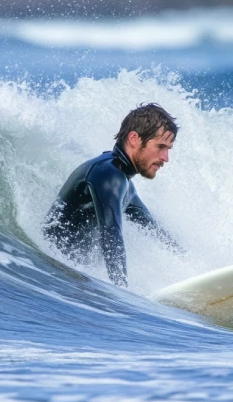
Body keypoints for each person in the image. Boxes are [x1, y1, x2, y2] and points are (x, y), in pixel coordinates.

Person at [43, 103, 181, 287]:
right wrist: (121, 294)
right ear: (134, 138)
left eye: (168, 149)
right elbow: (111, 237)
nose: (165, 158)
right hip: (52, 276)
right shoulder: (108, 176)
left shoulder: (124, 183)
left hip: (64, 276)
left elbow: (153, 230)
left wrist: (187, 261)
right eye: (160, 147)